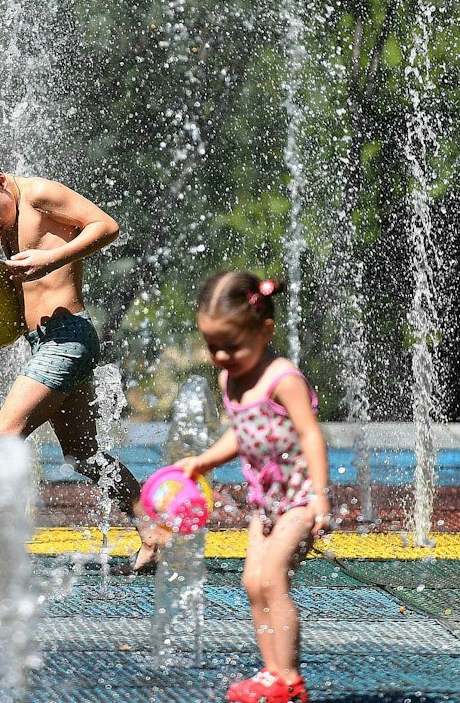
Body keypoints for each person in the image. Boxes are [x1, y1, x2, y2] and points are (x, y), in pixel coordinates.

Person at [0, 148, 159, 573]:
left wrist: (51, 258)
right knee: (83, 455)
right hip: (43, 340)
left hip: (68, 336)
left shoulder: (38, 195)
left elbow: (106, 226)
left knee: (2, 437)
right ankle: (152, 531)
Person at [170, 271, 331, 703]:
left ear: (265, 330)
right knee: (252, 582)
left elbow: (311, 435)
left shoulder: (283, 379)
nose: (222, 355)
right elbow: (241, 433)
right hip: (266, 505)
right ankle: (271, 674)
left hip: (299, 499)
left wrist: (320, 495)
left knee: (274, 578)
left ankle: (291, 679)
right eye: (212, 347)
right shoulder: (231, 379)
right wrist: (204, 460)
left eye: (232, 345)